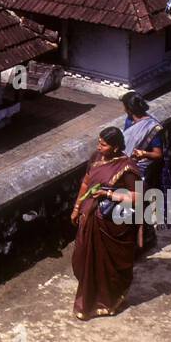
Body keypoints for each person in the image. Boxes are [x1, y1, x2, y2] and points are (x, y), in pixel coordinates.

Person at [70, 126, 142, 319]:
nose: (99, 146)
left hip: (112, 222)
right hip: (90, 217)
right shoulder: (96, 157)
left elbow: (138, 196)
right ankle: (89, 296)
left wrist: (109, 193)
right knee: (84, 257)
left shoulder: (127, 168)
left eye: (103, 144)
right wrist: (77, 207)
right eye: (99, 142)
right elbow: (86, 183)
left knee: (107, 264)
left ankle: (104, 301)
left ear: (116, 147)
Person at [121, 91, 164, 251]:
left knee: (140, 205)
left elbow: (158, 154)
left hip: (143, 170)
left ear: (129, 108)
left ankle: (145, 239)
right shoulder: (129, 121)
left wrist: (143, 153)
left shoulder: (152, 127)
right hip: (127, 167)